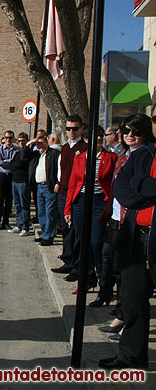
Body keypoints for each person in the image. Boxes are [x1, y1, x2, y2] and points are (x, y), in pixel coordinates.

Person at [99, 107, 156, 370]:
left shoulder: (147, 152)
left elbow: (138, 184)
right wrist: (141, 190)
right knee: (133, 300)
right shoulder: (142, 154)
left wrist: (141, 185)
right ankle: (131, 356)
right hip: (137, 236)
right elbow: (123, 186)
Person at [64, 126, 116, 293]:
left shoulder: (111, 157)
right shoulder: (80, 159)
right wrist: (68, 209)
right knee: (83, 241)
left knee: (96, 242)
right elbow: (73, 184)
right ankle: (87, 279)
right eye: (95, 137)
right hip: (80, 202)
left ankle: (104, 283)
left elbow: (113, 183)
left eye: (101, 136)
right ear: (86, 140)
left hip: (100, 202)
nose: (99, 139)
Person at [54, 115, 88, 280]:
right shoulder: (66, 148)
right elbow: (63, 170)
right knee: (66, 230)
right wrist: (59, 183)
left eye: (75, 128)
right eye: (68, 128)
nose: (71, 132)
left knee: (77, 231)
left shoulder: (84, 148)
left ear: (81, 128)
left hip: (77, 195)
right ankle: (67, 260)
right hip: (63, 193)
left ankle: (76, 266)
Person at [29, 136, 60, 246]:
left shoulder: (54, 154)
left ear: (47, 143)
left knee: (50, 212)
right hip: (39, 187)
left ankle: (49, 236)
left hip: (49, 186)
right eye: (37, 144)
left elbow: (59, 168)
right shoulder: (38, 155)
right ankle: (44, 233)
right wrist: (30, 143)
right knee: (41, 212)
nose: (39, 146)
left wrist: (58, 182)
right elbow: (24, 156)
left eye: (41, 143)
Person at [0, 130, 19, 229]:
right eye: (6, 137)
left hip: (11, 176)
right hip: (0, 175)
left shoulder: (17, 150)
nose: (8, 139)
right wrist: (10, 162)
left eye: (10, 138)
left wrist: (6, 161)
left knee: (9, 200)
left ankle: (6, 222)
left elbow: (16, 163)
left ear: (13, 139)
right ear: (4, 139)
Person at [9, 132, 33, 236]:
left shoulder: (28, 152)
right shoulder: (17, 153)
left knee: (24, 205)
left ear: (27, 141)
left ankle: (25, 227)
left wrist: (27, 147)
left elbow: (23, 162)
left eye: (23, 141)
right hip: (15, 180)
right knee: (17, 205)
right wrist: (17, 164)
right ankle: (19, 224)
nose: (21, 142)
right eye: (19, 141)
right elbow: (12, 165)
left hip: (23, 181)